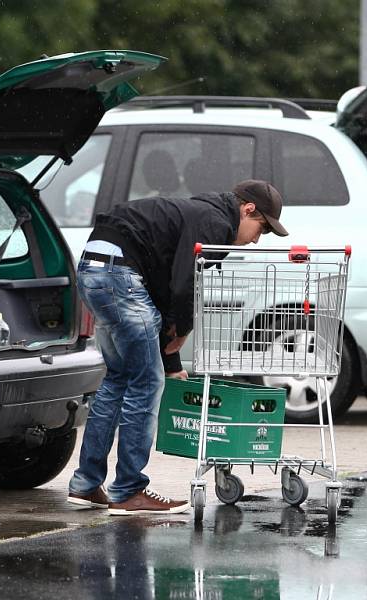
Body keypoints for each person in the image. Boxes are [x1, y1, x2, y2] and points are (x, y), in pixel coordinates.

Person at [67, 179, 288, 515]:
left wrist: (171, 361)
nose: (257, 238)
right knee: (146, 383)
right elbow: (185, 285)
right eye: (260, 227)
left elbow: (161, 292)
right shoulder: (214, 222)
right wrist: (183, 329)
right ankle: (127, 491)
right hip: (120, 275)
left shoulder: (197, 212)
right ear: (248, 209)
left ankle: (85, 485)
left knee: (118, 379)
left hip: (95, 268)